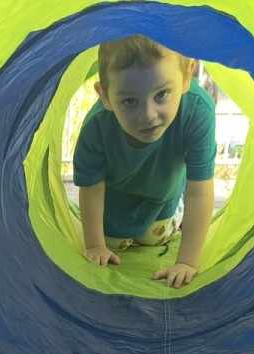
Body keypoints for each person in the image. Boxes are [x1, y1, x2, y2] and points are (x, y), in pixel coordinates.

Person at [73, 35, 216, 288]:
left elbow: (198, 190)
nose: (148, 115)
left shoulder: (197, 111)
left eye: (161, 95)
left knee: (154, 238)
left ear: (186, 77)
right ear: (105, 96)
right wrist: (95, 245)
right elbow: (91, 188)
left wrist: (187, 262)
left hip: (162, 205)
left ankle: (167, 221)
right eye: (129, 101)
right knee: (113, 245)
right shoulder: (97, 127)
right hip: (114, 210)